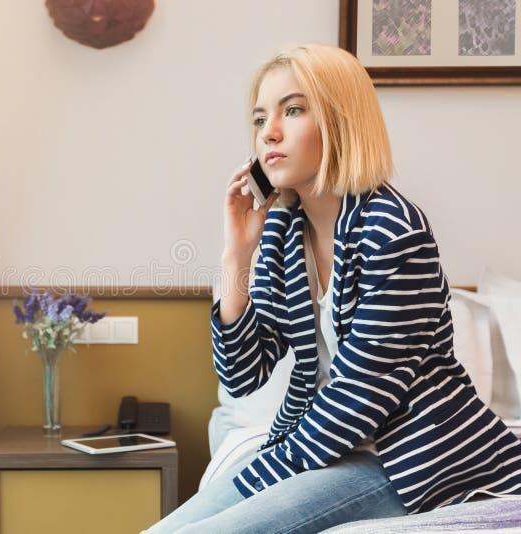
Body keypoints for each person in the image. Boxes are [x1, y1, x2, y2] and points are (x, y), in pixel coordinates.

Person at [142, 42, 521, 534]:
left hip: (403, 456)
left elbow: (361, 399)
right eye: (259, 120)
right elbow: (242, 376)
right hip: (317, 448)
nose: (269, 133)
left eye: (293, 110)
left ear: (341, 122)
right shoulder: (282, 232)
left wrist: (264, 475)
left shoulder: (393, 231)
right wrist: (237, 253)